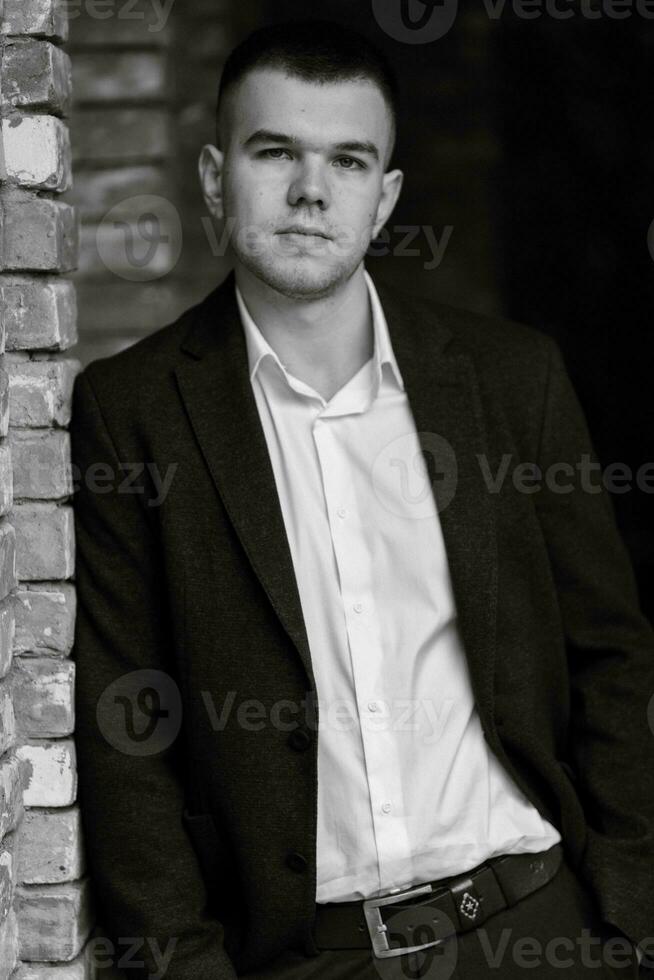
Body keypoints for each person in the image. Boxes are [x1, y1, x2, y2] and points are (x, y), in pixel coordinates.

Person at [70, 19, 654, 980]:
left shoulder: (511, 380)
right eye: (276, 153)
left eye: (347, 161)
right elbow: (128, 731)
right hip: (308, 958)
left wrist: (627, 922)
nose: (311, 191)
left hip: (537, 925)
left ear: (384, 199)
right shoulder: (133, 412)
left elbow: (613, 659)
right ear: (215, 177)